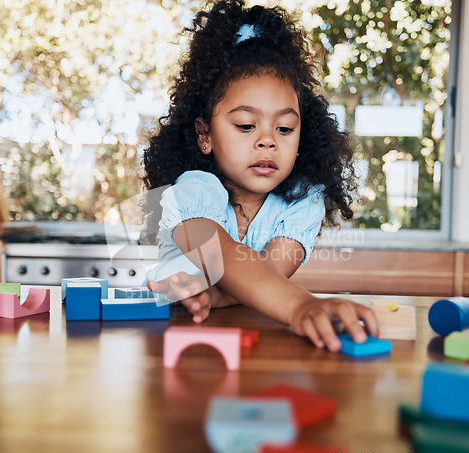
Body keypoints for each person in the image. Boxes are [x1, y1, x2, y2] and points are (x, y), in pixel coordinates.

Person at [143, 0, 378, 352]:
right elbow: (223, 257)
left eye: (284, 128)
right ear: (205, 135)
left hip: (251, 344)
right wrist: (300, 305)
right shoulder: (193, 190)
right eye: (246, 125)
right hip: (172, 339)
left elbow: (266, 274)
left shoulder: (302, 201)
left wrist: (215, 296)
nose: (267, 139)